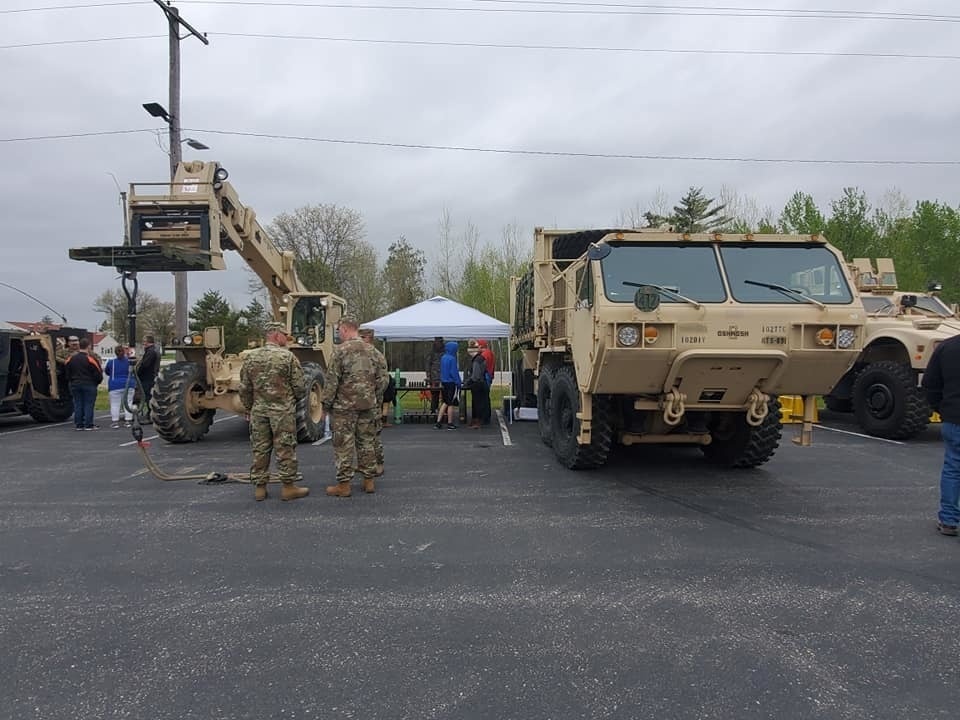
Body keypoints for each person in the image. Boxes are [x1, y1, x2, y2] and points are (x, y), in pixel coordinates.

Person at [238, 321, 309, 502]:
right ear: (277, 335)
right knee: (285, 448)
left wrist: (249, 407)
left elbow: (244, 388)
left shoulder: (251, 358)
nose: (287, 338)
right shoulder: (287, 357)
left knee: (260, 448)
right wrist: (290, 401)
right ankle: (288, 487)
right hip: (282, 411)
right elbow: (300, 387)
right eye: (285, 335)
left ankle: (260, 489)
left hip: (259, 411)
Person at [321, 316, 389, 497]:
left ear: (344, 329)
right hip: (367, 406)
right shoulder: (373, 352)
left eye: (338, 331)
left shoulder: (340, 352)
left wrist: (325, 406)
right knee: (366, 443)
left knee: (343, 445)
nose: (339, 334)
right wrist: (373, 397)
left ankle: (344, 485)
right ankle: (369, 481)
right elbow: (384, 380)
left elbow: (331, 382)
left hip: (344, 408)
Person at [922, 333, 960, 536]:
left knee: (953, 468)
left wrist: (941, 409)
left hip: (954, 417)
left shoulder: (947, 347)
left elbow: (930, 384)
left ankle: (948, 520)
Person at [359, 326, 389, 477]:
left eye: (362, 338)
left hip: (373, 402)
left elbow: (384, 381)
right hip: (361, 403)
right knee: (362, 435)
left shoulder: (377, 356)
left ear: (368, 338)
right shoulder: (360, 355)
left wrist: (372, 395)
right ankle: (365, 464)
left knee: (374, 435)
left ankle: (379, 463)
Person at [65, 338, 102, 430]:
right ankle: (88, 424)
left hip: (75, 384)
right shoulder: (91, 360)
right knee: (89, 404)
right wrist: (96, 383)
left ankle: (79, 424)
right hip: (89, 384)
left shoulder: (70, 359)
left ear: (79, 346)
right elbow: (98, 373)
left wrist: (71, 381)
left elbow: (67, 373)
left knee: (77, 403)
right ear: (88, 346)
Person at [105, 345, 135, 428]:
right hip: (129, 384)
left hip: (115, 385)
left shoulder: (111, 362)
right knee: (128, 403)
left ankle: (115, 422)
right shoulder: (130, 361)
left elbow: (107, 371)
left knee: (115, 404)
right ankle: (128, 421)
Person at [435, 340, 461, 430]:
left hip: (444, 382)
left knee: (445, 402)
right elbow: (454, 372)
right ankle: (450, 423)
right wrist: (458, 382)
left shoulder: (443, 357)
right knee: (450, 403)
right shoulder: (452, 359)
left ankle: (438, 422)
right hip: (451, 383)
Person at [465, 339, 490, 430]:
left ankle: (478, 422)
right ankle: (479, 420)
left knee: (477, 404)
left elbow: (475, 375)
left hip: (477, 384)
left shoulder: (476, 360)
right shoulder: (481, 358)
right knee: (480, 403)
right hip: (482, 383)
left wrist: (468, 382)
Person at [136, 335, 161, 414]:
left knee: (148, 396)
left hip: (148, 377)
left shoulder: (150, 352)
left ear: (147, 342)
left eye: (144, 342)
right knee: (149, 395)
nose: (143, 344)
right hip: (152, 375)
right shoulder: (154, 350)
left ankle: (150, 413)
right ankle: (150, 412)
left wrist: (138, 372)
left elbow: (145, 365)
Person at [477, 338, 495, 425]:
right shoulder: (490, 353)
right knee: (486, 397)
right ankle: (487, 417)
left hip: (485, 376)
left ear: (481, 346)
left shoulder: (484, 355)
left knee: (484, 398)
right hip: (490, 375)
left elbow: (481, 368)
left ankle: (484, 417)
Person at [424, 337, 444, 414]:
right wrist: (428, 376)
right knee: (435, 395)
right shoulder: (431, 353)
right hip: (434, 377)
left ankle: (443, 410)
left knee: (445, 394)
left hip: (443, 376)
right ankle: (433, 409)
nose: (439, 343)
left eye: (440, 342)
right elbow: (428, 364)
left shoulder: (445, 352)